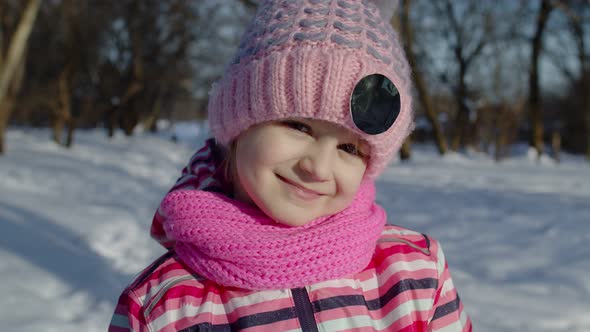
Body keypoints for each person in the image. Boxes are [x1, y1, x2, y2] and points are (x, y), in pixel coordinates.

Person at [108, 0, 472, 331]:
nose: (318, 168)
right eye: (298, 126)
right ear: (239, 124)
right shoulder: (163, 306)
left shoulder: (415, 274)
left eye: (349, 148)